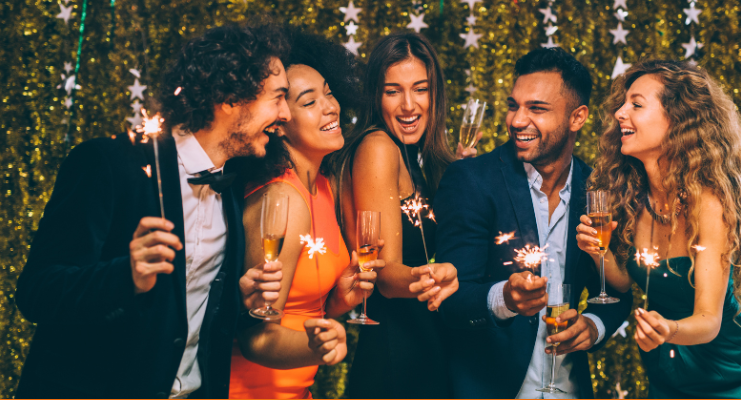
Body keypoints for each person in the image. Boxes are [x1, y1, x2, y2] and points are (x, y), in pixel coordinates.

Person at [13, 23, 289, 398]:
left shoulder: (233, 185)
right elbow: (37, 293)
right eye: (278, 97)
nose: (286, 114)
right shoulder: (108, 164)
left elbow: (184, 316)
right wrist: (124, 276)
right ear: (229, 97)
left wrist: (241, 302)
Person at [434, 48, 632, 398]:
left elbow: (617, 289)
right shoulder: (471, 180)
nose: (517, 120)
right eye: (514, 106)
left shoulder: (599, 192)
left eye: (536, 109)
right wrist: (505, 298)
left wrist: (595, 327)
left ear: (577, 117)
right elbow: (450, 297)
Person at [576, 60, 741, 398]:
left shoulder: (709, 204)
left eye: (636, 105)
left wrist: (667, 329)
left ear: (677, 120)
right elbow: (626, 281)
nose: (620, 113)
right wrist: (599, 253)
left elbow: (708, 320)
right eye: (623, 103)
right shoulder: (632, 196)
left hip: (733, 374)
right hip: (669, 373)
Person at [229, 29, 383, 399]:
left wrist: (338, 302)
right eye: (309, 102)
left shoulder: (325, 186)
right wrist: (320, 347)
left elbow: (303, 309)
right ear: (280, 122)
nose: (331, 106)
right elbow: (257, 337)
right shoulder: (283, 198)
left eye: (329, 92)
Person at [336, 32, 461, 399]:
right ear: (376, 96)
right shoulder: (378, 146)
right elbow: (382, 272)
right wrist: (430, 276)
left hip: (422, 347)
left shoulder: (413, 156)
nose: (409, 105)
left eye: (420, 89)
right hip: (396, 357)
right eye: (393, 91)